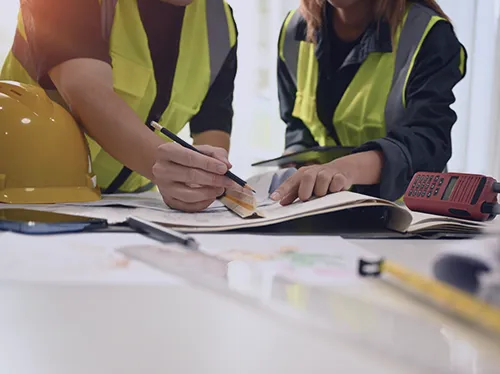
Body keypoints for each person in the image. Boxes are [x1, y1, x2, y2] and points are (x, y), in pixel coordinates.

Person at [1, 0, 243, 212]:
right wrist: (163, 165)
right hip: (28, 197)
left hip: (133, 207)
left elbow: (213, 123)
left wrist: (207, 177)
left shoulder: (219, 21)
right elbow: (84, 89)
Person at [271, 0, 467, 206]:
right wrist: (298, 157)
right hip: (323, 207)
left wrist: (344, 169)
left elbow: (428, 143)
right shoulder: (294, 28)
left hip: (406, 215)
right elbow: (297, 124)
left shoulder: (428, 34)